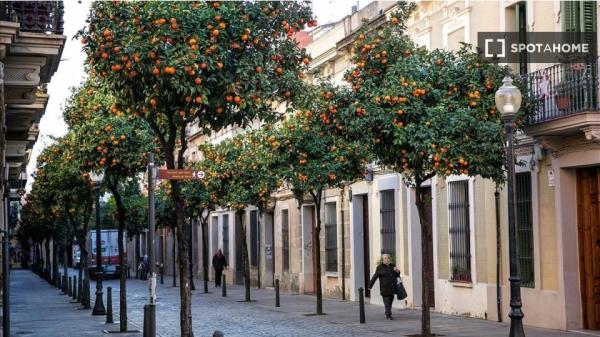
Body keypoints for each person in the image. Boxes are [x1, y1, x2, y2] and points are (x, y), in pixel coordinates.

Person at [368, 254, 400, 320]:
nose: (386, 259)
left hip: (392, 288)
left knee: (390, 301)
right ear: (382, 260)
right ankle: (388, 315)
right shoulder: (379, 267)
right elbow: (375, 277)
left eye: (388, 258)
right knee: (386, 302)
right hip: (384, 288)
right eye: (385, 258)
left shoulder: (392, 266)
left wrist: (397, 271)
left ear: (389, 259)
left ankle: (387, 312)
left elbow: (397, 275)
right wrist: (370, 286)